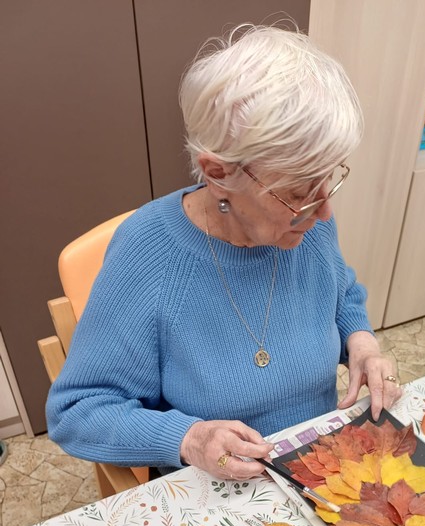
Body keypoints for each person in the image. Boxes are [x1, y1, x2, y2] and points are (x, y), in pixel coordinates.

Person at [47, 24, 402, 481]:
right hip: (215, 488)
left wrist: (363, 345)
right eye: (299, 190)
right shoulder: (148, 252)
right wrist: (189, 438)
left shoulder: (305, 223)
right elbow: (77, 411)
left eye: (328, 180)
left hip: (320, 464)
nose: (324, 210)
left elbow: (341, 293)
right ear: (217, 173)